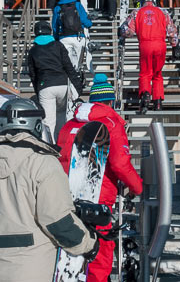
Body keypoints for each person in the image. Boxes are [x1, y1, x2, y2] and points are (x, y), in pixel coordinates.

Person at [0, 98, 99, 282]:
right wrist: (88, 244)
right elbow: (58, 221)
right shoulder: (43, 164)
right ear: (37, 127)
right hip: (36, 272)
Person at [56, 86, 142, 282]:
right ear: (110, 102)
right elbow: (120, 164)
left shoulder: (69, 125)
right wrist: (137, 187)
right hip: (98, 201)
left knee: (71, 255)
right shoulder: (111, 124)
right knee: (98, 256)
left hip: (65, 199)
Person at [119, 0, 179, 114]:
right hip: (160, 45)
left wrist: (121, 32)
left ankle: (145, 97)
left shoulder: (137, 12)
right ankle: (158, 102)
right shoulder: (163, 12)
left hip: (145, 44)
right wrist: (174, 45)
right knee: (157, 74)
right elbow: (171, 30)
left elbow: (128, 31)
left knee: (145, 73)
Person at [27, 20, 83, 141]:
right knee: (62, 119)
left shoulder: (33, 51)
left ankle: (49, 149)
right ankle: (63, 145)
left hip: (45, 86)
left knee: (48, 122)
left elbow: (33, 74)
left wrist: (38, 91)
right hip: (62, 85)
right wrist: (78, 86)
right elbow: (68, 67)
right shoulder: (58, 46)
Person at [53, 0, 94, 75]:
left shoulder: (58, 7)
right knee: (78, 61)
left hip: (64, 38)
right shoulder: (77, 5)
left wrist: (56, 37)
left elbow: (54, 25)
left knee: (66, 61)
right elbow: (84, 19)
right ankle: (78, 75)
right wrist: (89, 24)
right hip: (78, 37)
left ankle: (68, 76)